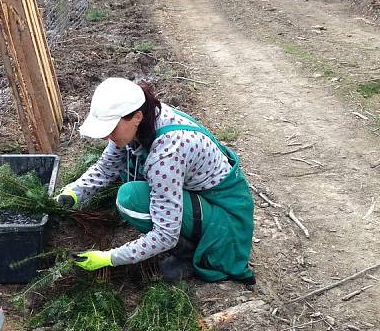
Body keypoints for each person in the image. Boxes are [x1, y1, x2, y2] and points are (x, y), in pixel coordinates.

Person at [57, 77, 255, 285]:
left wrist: (110, 257)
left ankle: (189, 253)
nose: (108, 135)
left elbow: (166, 234)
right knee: (132, 177)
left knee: (130, 198)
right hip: (202, 196)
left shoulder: (167, 154)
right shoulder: (146, 118)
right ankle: (190, 234)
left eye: (112, 128)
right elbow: (106, 166)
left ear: (136, 117)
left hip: (225, 216)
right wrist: (72, 193)